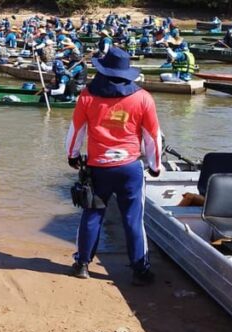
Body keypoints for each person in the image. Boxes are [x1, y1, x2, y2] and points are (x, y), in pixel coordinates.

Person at [65, 46, 161, 285]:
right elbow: (152, 136)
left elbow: (76, 130)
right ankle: (140, 269)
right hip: (130, 168)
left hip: (98, 167)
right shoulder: (143, 98)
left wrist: (72, 155)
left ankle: (82, 264)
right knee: (132, 219)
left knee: (92, 214)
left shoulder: (87, 95)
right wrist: (155, 165)